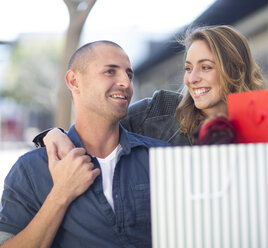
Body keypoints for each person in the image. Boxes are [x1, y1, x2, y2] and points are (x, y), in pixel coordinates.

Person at [0, 41, 168, 247]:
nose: (125, 82)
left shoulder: (162, 157)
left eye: (129, 74)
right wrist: (61, 193)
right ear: (73, 81)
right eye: (110, 72)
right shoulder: (30, 168)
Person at [34, 25, 265, 155]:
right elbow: (97, 130)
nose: (191, 79)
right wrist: (55, 134)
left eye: (205, 67)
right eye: (188, 68)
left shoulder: (266, 124)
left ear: (234, 69)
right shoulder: (161, 111)